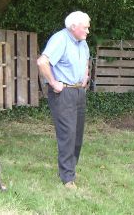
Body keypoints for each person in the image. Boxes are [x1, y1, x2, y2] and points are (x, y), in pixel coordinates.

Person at [37, 11, 90, 189]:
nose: (88, 31)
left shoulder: (82, 43)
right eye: (85, 27)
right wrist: (53, 82)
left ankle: (70, 169)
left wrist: (85, 76)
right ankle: (67, 178)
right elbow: (42, 62)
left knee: (77, 135)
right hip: (63, 93)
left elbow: (86, 62)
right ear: (73, 26)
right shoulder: (60, 39)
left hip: (78, 92)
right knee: (67, 134)